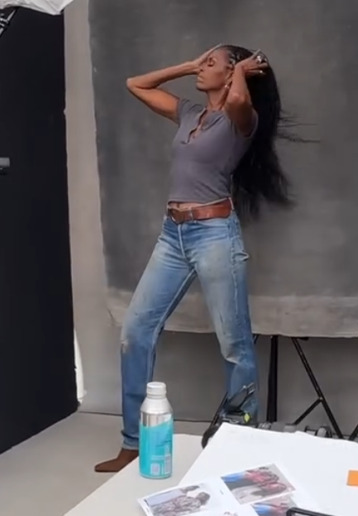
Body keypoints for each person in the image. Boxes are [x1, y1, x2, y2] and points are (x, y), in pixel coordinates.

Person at [95, 45, 291, 473]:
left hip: (215, 235)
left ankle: (241, 441)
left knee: (234, 344)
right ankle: (134, 442)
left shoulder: (241, 119)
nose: (201, 68)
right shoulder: (189, 113)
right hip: (173, 236)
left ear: (234, 73)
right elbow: (135, 84)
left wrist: (239, 73)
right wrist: (187, 65)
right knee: (135, 331)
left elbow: (237, 99)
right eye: (201, 63)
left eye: (210, 63)